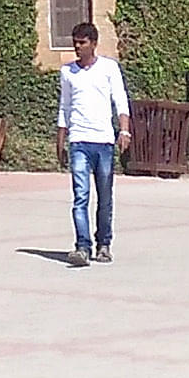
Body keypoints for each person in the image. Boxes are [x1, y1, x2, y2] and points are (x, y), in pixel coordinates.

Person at [57, 19, 128, 265]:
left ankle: (104, 243)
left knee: (105, 196)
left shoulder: (109, 68)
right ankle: (82, 246)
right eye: (75, 43)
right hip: (79, 141)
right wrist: (61, 139)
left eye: (82, 43)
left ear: (93, 44)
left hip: (104, 141)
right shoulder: (67, 72)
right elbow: (64, 107)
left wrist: (124, 131)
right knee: (80, 195)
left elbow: (120, 100)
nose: (78, 47)